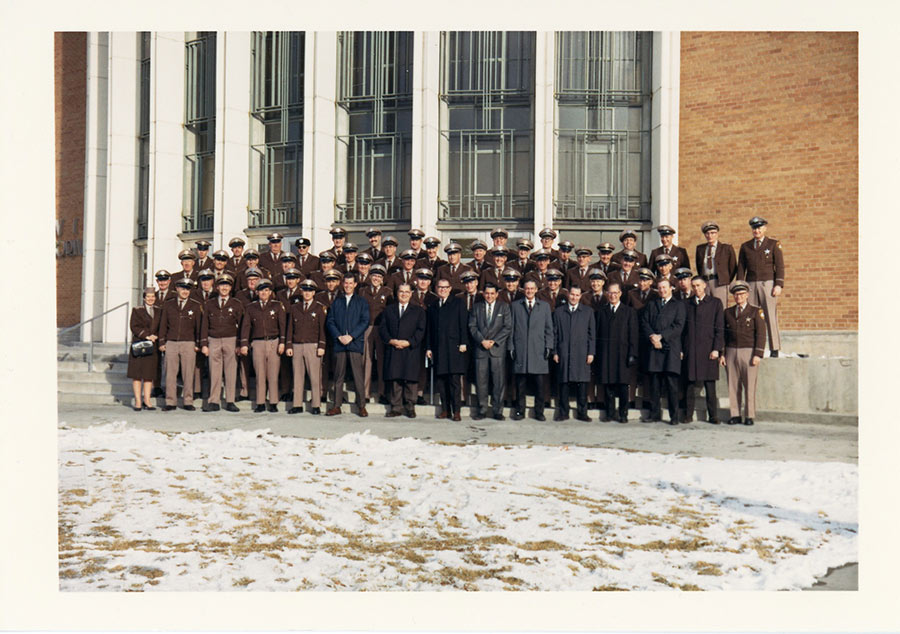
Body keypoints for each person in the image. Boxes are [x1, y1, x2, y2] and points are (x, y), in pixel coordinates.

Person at [737, 216, 785, 357]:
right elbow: (741, 268)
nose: (756, 231)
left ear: (765, 228)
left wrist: (778, 284)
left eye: (759, 228)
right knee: (751, 316)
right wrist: (740, 286)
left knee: (770, 316)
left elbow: (779, 266)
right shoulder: (746, 246)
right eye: (754, 228)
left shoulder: (773, 244)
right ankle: (752, 347)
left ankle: (774, 348)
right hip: (751, 285)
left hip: (767, 284)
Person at [640, 278, 685, 424]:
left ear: (671, 288)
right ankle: (654, 414)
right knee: (654, 384)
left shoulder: (678, 305)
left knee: (672, 385)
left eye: (665, 287)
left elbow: (678, 326)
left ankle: (674, 416)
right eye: (659, 288)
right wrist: (652, 337)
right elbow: (645, 322)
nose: (662, 290)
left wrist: (661, 337)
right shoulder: (652, 304)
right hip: (654, 348)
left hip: (670, 348)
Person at [325, 272, 370, 417]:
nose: (348, 286)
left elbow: (365, 321)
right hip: (340, 344)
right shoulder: (337, 302)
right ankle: (336, 405)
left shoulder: (361, 302)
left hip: (354, 343)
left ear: (355, 284)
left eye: (351, 283)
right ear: (342, 284)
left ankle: (361, 406)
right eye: (346, 283)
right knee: (338, 376)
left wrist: (352, 336)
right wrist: (339, 336)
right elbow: (330, 321)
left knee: (358, 376)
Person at [722, 280, 766, 425]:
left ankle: (749, 415)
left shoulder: (755, 311)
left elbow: (761, 334)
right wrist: (722, 353)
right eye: (736, 294)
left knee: (749, 384)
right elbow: (723, 335)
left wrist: (758, 354)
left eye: (741, 294)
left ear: (747, 295)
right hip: (731, 351)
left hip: (749, 351)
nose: (738, 297)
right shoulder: (727, 312)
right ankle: (735, 414)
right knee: (733, 384)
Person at [682, 276, 725, 424]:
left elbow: (719, 328)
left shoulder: (715, 303)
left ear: (705, 286)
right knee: (689, 385)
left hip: (708, 350)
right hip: (691, 349)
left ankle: (713, 416)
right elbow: (683, 329)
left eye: (699, 285)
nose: (696, 289)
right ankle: (688, 415)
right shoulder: (686, 304)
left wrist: (717, 349)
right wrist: (682, 349)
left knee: (710, 385)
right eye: (694, 286)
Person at [509, 279, 554, 421]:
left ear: (536, 290)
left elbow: (549, 329)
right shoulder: (515, 306)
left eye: (532, 288)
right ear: (523, 290)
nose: (529, 291)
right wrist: (511, 346)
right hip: (521, 350)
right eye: (527, 288)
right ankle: (519, 411)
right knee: (520, 385)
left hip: (538, 350)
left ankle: (539, 412)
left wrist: (548, 346)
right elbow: (511, 328)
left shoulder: (544, 306)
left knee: (539, 385)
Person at [380, 283, 427, 418]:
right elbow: (383, 328)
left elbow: (421, 330)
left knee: (410, 378)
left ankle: (410, 406)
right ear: (397, 293)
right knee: (395, 378)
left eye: (407, 292)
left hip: (410, 349)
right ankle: (396, 407)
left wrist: (409, 342)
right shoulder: (389, 310)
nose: (404, 294)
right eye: (401, 291)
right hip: (394, 348)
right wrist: (391, 340)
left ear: (411, 294)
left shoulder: (418, 311)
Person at [239, 278, 286, 413]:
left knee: (273, 374)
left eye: (266, 290)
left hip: (273, 342)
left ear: (270, 292)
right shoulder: (251, 307)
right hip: (258, 342)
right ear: (257, 292)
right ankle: (260, 402)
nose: (264, 293)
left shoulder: (277, 306)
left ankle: (273, 402)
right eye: (261, 291)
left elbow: (282, 325)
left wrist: (282, 342)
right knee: (260, 374)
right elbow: (246, 326)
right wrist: (244, 344)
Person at [468, 281, 512, 421]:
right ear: (483, 294)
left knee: (498, 381)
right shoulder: (477, 307)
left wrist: (494, 341)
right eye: (487, 293)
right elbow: (472, 326)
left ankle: (498, 410)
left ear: (497, 294)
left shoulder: (504, 307)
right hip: (481, 349)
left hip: (497, 349)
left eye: (492, 293)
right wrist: (482, 340)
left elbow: (507, 327)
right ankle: (482, 409)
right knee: (481, 381)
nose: (489, 296)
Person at [200, 274, 243, 412]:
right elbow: (204, 324)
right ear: (217, 287)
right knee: (214, 372)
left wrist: (239, 344)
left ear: (230, 288)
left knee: (231, 371)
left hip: (231, 339)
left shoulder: (236, 304)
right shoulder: (209, 304)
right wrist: (204, 344)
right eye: (222, 285)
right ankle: (214, 401)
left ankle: (230, 400)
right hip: (213, 340)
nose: (224, 288)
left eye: (227, 285)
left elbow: (242, 325)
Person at [595, 282, 638, 423]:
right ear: (607, 294)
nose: (613, 296)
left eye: (615, 293)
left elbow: (633, 335)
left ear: (620, 294)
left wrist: (632, 354)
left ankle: (623, 414)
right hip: (606, 354)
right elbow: (597, 334)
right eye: (610, 293)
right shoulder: (601, 312)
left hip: (623, 354)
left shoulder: (629, 312)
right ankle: (609, 413)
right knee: (608, 385)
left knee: (623, 385)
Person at [158, 278, 203, 411]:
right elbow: (163, 324)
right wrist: (162, 341)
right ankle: (170, 401)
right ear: (177, 289)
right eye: (182, 288)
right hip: (171, 342)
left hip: (188, 342)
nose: (185, 291)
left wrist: (198, 343)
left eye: (187, 289)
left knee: (188, 374)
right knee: (170, 374)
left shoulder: (195, 305)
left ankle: (188, 401)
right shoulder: (168, 304)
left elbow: (199, 327)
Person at [426, 279, 469, 420]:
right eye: (440, 287)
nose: (443, 290)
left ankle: (456, 411)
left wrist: (463, 342)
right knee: (441, 381)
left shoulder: (458, 303)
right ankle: (445, 410)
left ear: (450, 288)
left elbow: (463, 324)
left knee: (454, 381)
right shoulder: (433, 306)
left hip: (454, 347)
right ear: (436, 288)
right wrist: (429, 347)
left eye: (445, 287)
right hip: (439, 348)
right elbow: (430, 329)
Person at [553, 286, 595, 422]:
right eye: (572, 294)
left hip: (581, 352)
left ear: (580, 296)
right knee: (563, 383)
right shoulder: (559, 312)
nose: (574, 297)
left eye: (577, 295)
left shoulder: (588, 312)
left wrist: (591, 352)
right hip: (564, 352)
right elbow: (555, 334)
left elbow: (591, 335)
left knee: (582, 383)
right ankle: (563, 412)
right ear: (568, 295)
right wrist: (555, 352)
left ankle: (582, 413)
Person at [285, 279, 327, 415]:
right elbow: (290, 328)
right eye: (305, 291)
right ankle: (297, 404)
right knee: (297, 376)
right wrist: (289, 345)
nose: (307, 293)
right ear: (301, 292)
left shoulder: (319, 308)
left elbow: (322, 329)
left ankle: (316, 405)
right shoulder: (295, 308)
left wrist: (321, 345)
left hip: (312, 345)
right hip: (297, 345)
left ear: (314, 293)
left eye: (310, 291)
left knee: (315, 377)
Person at [360, 264, 393, 403]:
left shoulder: (388, 292)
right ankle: (365, 393)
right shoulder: (363, 291)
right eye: (374, 276)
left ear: (382, 279)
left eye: (379, 277)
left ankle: (382, 392)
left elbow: (390, 312)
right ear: (370, 277)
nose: (376, 279)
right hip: (366, 328)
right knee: (366, 361)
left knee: (381, 361)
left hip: (381, 329)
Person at [127, 287, 161, 411]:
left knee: (148, 374)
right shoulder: (137, 310)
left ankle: (147, 400)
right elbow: (134, 326)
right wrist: (147, 335)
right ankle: (138, 401)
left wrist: (157, 336)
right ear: (144, 298)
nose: (150, 299)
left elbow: (162, 326)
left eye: (153, 296)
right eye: (148, 296)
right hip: (140, 344)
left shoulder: (159, 310)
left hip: (153, 345)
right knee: (137, 374)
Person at [696, 221, 737, 308]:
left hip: (719, 283)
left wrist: (725, 280)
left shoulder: (726, 248)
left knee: (721, 308)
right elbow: (699, 267)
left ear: (717, 234)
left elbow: (733, 267)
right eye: (707, 233)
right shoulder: (700, 249)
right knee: (706, 308)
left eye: (712, 233)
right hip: (705, 283)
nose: (710, 236)